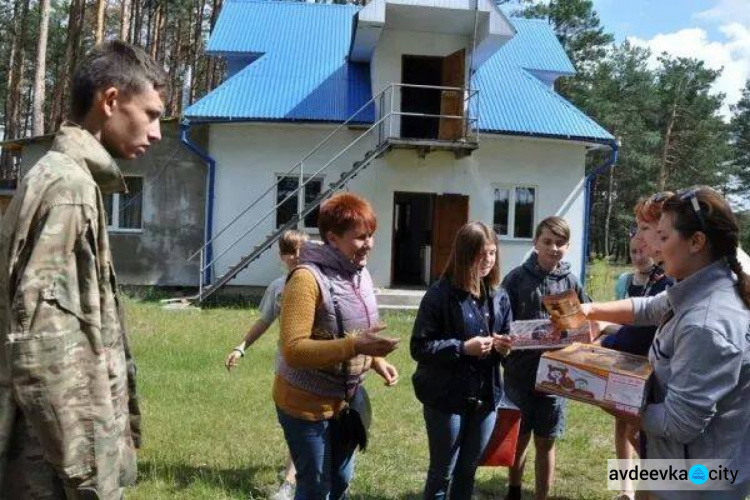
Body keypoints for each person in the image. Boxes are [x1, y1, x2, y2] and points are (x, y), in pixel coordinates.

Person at [0, 41, 166, 498]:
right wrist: (89, 475)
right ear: (110, 101)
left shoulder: (62, 178)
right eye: (150, 114)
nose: (156, 132)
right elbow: (42, 345)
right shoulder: (70, 188)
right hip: (50, 469)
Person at [583, 186, 750, 499]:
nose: (652, 247)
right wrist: (588, 310)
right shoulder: (703, 285)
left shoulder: (706, 324)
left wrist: (606, 396)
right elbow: (651, 308)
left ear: (696, 242)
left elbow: (679, 424)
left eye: (662, 237)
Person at [274, 192, 400, 500]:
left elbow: (353, 329)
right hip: (305, 405)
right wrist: (357, 346)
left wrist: (374, 361)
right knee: (316, 487)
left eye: (370, 235)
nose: (369, 244)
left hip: (345, 402)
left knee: (341, 480)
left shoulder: (360, 275)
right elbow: (293, 350)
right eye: (359, 238)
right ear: (332, 238)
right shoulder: (305, 279)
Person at [411, 221, 513, 500]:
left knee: (468, 471)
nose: (487, 261)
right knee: (443, 470)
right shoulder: (439, 295)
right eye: (480, 254)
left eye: (492, 253)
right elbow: (419, 347)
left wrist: (505, 347)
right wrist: (461, 348)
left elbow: (507, 341)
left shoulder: (499, 296)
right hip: (446, 398)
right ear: (464, 254)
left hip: (485, 398)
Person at [501, 216, 588, 500]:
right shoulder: (515, 279)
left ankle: (542, 496)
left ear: (568, 246)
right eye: (547, 241)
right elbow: (502, 321)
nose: (553, 248)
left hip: (555, 376)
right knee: (520, 438)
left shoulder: (571, 281)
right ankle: (514, 490)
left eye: (560, 243)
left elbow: (582, 323)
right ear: (535, 243)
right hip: (520, 375)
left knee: (546, 442)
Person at [224, 229, 308, 500]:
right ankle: (292, 480)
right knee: (295, 425)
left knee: (309, 426)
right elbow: (264, 321)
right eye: (291, 252)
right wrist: (241, 347)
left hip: (317, 367)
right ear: (282, 256)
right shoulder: (278, 287)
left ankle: (294, 480)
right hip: (288, 368)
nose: (296, 257)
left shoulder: (322, 282)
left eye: (301, 250)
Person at [602, 234, 673, 500]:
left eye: (643, 250)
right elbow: (624, 321)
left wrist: (608, 334)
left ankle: (653, 476)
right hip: (624, 358)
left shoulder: (666, 283)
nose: (638, 256)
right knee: (623, 423)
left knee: (640, 429)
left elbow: (645, 323)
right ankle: (626, 487)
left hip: (651, 362)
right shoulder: (624, 282)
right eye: (633, 252)